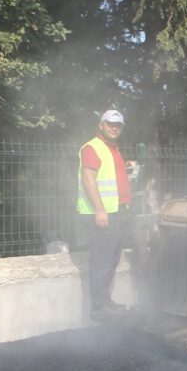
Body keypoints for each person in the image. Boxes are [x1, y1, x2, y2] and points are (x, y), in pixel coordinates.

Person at [78, 109, 132, 319]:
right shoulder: (92, 148)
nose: (114, 127)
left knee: (111, 259)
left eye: (118, 124)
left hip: (116, 212)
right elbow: (88, 180)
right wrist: (100, 210)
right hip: (103, 215)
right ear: (101, 125)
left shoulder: (113, 149)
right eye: (110, 123)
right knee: (102, 260)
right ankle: (99, 308)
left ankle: (106, 302)